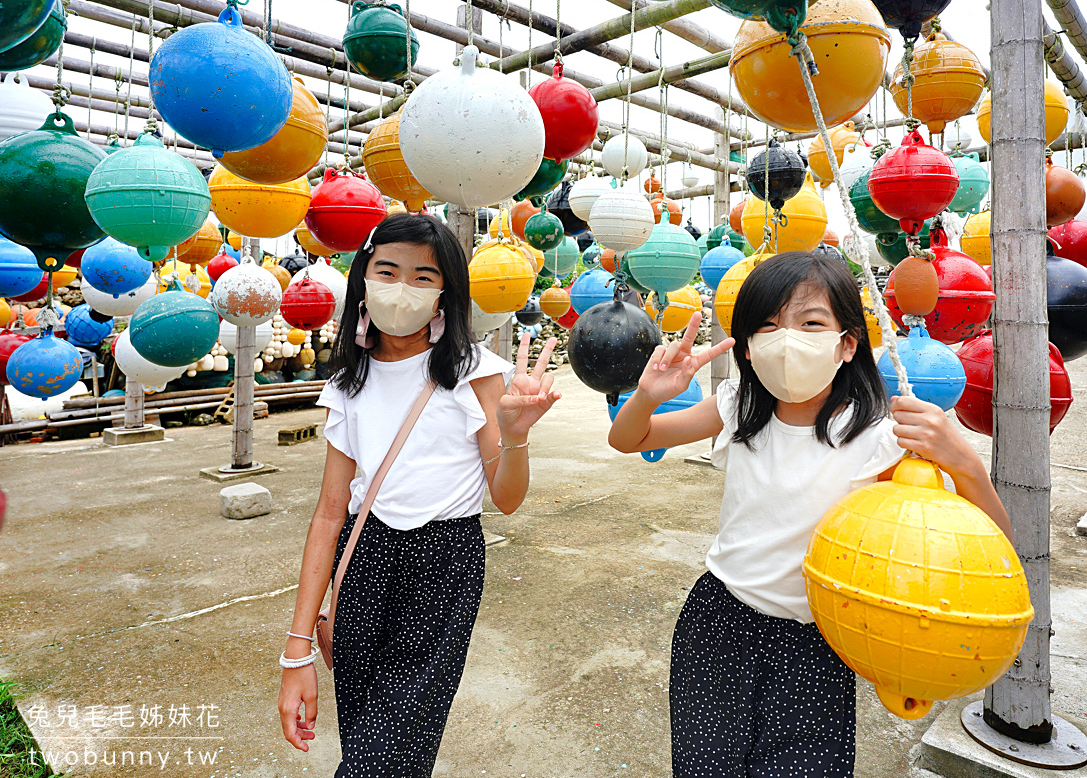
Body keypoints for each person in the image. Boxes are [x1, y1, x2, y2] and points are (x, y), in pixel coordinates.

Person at [608, 251, 1012, 777]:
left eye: (811, 322)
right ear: (749, 348)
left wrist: (963, 462)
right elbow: (628, 439)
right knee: (704, 766)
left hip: (818, 645)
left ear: (847, 344)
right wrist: (646, 394)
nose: (787, 339)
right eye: (768, 326)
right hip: (718, 624)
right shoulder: (737, 407)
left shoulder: (881, 440)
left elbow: (993, 555)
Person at [277, 214, 561, 777]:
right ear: (362, 279)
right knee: (365, 735)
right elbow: (331, 513)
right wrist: (296, 650)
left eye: (423, 277)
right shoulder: (346, 383)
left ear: (445, 295)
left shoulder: (474, 372)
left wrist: (517, 435)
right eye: (388, 270)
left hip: (444, 564)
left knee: (385, 757)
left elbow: (504, 498)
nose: (402, 288)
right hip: (362, 562)